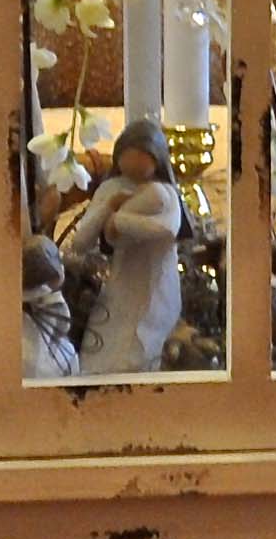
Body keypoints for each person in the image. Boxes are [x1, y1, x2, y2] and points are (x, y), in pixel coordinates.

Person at [66, 120, 187, 374]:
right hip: (122, 282)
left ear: (157, 160)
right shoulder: (111, 188)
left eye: (141, 167)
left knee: (144, 348)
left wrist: (121, 221)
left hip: (157, 283)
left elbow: (167, 231)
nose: (133, 177)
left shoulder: (164, 193)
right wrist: (108, 208)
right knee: (106, 347)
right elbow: (80, 242)